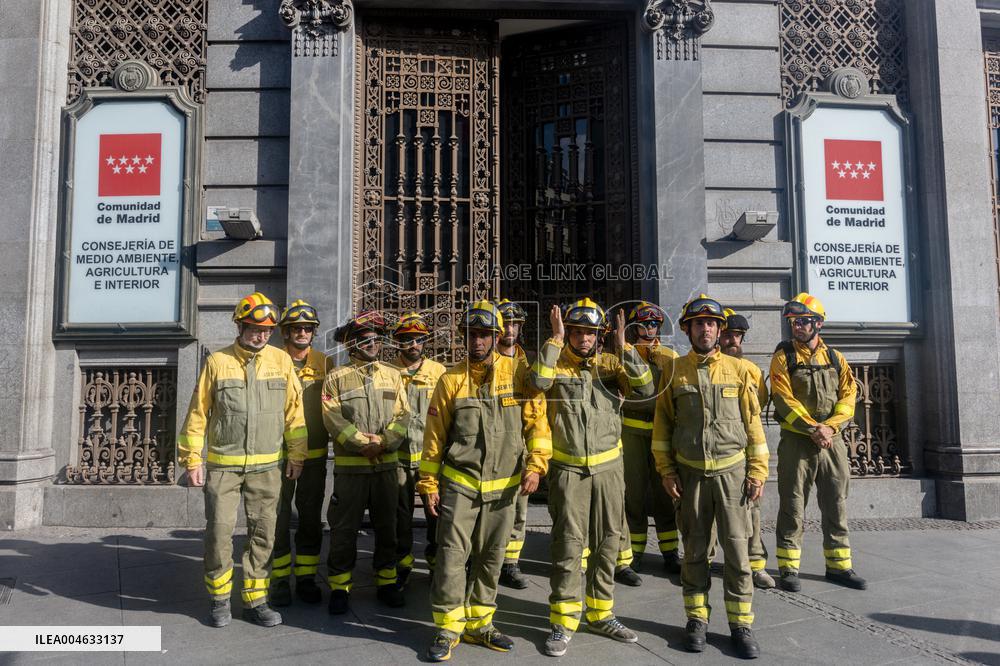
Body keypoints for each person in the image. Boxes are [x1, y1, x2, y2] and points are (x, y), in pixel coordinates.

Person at [418, 301, 551, 662]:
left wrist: (537, 465)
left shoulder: (518, 374)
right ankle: (448, 627)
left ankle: (480, 623)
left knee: (491, 558)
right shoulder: (450, 380)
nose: (478, 341)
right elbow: (433, 438)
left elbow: (537, 424)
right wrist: (428, 483)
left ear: (496, 337)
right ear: (465, 337)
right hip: (461, 486)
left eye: (485, 335)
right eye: (473, 335)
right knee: (451, 557)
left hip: (505, 489)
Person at [532, 299, 654, 658]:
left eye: (589, 332)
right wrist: (553, 340)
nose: (583, 338)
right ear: (568, 332)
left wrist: (625, 347)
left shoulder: (611, 364)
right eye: (576, 331)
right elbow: (537, 382)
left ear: (599, 336)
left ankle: (601, 613)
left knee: (607, 544)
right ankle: (563, 620)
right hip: (569, 471)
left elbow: (645, 391)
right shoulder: (556, 364)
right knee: (568, 546)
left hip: (609, 470)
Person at [177, 292, 307, 628]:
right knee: (219, 533)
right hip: (225, 465)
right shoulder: (217, 362)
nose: (261, 335)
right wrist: (192, 459)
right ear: (240, 325)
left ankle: (256, 601)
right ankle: (220, 601)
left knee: (263, 535)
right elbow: (198, 413)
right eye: (254, 328)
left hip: (268, 467)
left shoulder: (280, 361)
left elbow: (295, 413)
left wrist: (298, 455)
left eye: (267, 330)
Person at [652, 294, 769, 659]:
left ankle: (741, 625)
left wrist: (758, 471)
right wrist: (667, 471)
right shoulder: (675, 372)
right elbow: (663, 428)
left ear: (720, 330)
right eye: (698, 323)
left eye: (711, 323)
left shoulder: (739, 371)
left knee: (737, 553)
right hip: (692, 476)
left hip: (733, 476)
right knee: (695, 552)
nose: (705, 329)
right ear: (687, 329)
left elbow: (753, 425)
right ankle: (697, 620)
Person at [770, 293, 866, 593]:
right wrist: (813, 427)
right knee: (792, 504)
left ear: (818, 324)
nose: (797, 327)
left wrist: (830, 427)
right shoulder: (783, 356)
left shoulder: (836, 358)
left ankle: (839, 566)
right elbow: (783, 398)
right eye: (794, 322)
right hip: (798, 441)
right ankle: (789, 568)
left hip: (832, 441)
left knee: (836, 502)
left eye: (803, 322)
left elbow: (849, 397)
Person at [321, 310, 410, 614]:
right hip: (351, 470)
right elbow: (331, 417)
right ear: (351, 343)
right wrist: (362, 445)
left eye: (376, 338)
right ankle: (340, 587)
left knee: (388, 528)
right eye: (365, 338)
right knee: (344, 530)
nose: (372, 343)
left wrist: (384, 443)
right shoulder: (336, 377)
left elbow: (403, 416)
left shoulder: (393, 375)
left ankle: (386, 582)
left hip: (387, 468)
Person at [269, 299, 333, 607]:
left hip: (315, 454)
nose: (303, 333)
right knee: (278, 518)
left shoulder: (324, 363)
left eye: (308, 328)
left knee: (310, 519)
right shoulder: (271, 361)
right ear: (285, 332)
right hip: (277, 455)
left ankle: (306, 578)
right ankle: (279, 580)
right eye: (297, 328)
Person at [617, 301, 681, 587]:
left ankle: (670, 552)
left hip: (661, 434)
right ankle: (635, 553)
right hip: (631, 432)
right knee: (634, 495)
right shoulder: (621, 355)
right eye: (644, 323)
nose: (650, 328)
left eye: (654, 323)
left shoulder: (670, 356)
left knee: (665, 494)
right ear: (634, 327)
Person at [718, 309, 775, 590]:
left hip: (741, 454)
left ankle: (756, 565)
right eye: (727, 335)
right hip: (709, 456)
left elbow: (756, 414)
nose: (732, 341)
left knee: (750, 511)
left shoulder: (752, 371)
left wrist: (757, 467)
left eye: (737, 336)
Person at [389, 312, 447, 586]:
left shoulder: (439, 373)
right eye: (407, 340)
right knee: (400, 518)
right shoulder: (386, 373)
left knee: (435, 515)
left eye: (418, 340)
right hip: (398, 459)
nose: (413, 345)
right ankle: (402, 566)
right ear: (397, 342)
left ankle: (435, 565)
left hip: (431, 460)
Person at [496, 299, 533, 590]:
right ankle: (483, 559)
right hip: (489, 446)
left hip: (518, 445)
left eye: (514, 323)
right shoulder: (483, 360)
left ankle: (510, 563)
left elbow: (537, 409)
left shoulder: (527, 363)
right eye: (505, 323)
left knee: (518, 510)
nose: (510, 328)